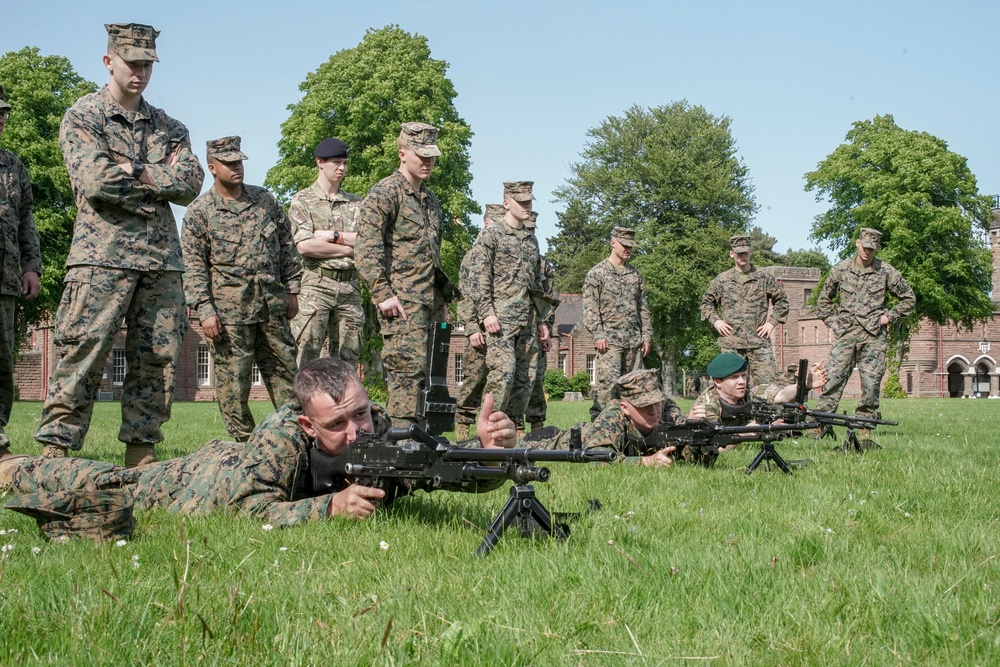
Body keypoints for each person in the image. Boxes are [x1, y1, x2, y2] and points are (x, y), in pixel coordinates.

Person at [0, 358, 518, 525]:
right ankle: (12, 467)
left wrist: (486, 455)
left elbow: (441, 474)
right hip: (203, 482)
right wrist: (328, 508)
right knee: (106, 483)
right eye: (337, 424)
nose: (357, 431)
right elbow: (251, 508)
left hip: (234, 466)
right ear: (308, 425)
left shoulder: (377, 428)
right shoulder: (281, 437)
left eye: (359, 413)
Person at [34, 23, 204, 467]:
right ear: (109, 61)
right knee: (84, 349)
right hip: (101, 257)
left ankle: (141, 448)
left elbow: (189, 183)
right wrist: (154, 174)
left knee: (157, 356)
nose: (141, 72)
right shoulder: (84, 116)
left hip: (162, 261)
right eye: (132, 62)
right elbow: (95, 181)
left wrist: (132, 169)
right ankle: (57, 449)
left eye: (148, 64)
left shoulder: (170, 126)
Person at [181, 136, 301, 441]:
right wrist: (205, 311)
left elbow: (287, 246)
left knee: (288, 377)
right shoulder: (200, 213)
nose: (237, 168)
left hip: (271, 308)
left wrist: (293, 289)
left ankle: (295, 440)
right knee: (233, 386)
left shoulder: (265, 201)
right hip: (229, 315)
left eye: (239, 162)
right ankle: (244, 445)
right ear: (212, 167)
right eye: (229, 163)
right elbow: (193, 267)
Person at [355, 122, 457, 425]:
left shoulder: (430, 199)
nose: (427, 162)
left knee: (431, 376)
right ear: (402, 153)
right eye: (420, 155)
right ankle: (400, 443)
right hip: (402, 303)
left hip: (431, 302)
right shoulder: (385, 193)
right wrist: (382, 294)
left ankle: (425, 441)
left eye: (431, 156)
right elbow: (366, 248)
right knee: (406, 373)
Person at [470, 181, 549, 434]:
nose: (527, 206)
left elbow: (537, 284)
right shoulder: (491, 235)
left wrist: (541, 321)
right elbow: (479, 277)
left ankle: (511, 433)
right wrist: (486, 313)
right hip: (501, 322)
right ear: (506, 204)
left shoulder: (531, 240)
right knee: (502, 375)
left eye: (529, 202)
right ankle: (487, 431)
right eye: (522, 202)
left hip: (528, 321)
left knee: (525, 379)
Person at [813, 227, 915, 421]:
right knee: (832, 379)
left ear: (877, 248)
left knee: (871, 383)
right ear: (858, 243)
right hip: (846, 334)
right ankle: (820, 423)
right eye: (864, 246)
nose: (867, 251)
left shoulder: (886, 272)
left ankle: (865, 425)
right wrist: (834, 323)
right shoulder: (841, 270)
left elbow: (908, 299)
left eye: (872, 248)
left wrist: (889, 317)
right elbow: (822, 301)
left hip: (873, 336)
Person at [288, 138, 364, 369]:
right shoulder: (303, 201)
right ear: (320, 162)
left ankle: (343, 405)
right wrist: (350, 248)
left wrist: (332, 236)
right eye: (336, 163)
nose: (342, 168)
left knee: (348, 359)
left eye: (345, 163)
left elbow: (368, 243)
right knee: (306, 354)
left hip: (349, 286)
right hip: (316, 284)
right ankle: (301, 405)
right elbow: (305, 246)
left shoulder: (356, 204)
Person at [687, 352, 827, 465]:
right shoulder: (707, 405)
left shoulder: (748, 393)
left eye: (743, 376)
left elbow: (781, 395)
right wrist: (750, 432)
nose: (741, 381)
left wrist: (804, 385)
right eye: (734, 378)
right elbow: (715, 450)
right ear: (718, 382)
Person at [0, 85, 42, 458]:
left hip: (5, 280)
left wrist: (31, 266)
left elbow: (26, 220)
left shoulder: (13, 166)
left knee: (1, 360)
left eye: (2, 113)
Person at [530, 369, 684, 468]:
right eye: (644, 406)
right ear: (625, 407)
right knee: (516, 447)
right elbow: (597, 458)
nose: (654, 411)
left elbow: (689, 437)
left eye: (657, 403)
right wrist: (645, 462)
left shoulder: (667, 409)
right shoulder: (613, 415)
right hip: (555, 441)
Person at [581, 226, 652, 420]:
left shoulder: (635, 276)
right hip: (610, 343)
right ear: (613, 242)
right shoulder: (597, 274)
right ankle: (600, 430)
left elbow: (643, 308)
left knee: (636, 389)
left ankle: (632, 429)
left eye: (631, 246)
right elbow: (590, 308)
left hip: (634, 342)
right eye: (624, 245)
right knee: (607, 390)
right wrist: (598, 334)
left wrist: (646, 336)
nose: (628, 249)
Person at [700, 234, 789, 385]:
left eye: (745, 253)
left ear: (751, 252)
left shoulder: (763, 278)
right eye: (739, 253)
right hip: (731, 343)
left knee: (769, 388)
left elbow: (782, 301)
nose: (742, 256)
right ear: (731, 254)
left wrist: (771, 323)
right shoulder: (722, 280)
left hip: (759, 343)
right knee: (730, 387)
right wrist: (716, 321)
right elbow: (706, 303)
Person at [454, 204, 503, 441]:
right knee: (474, 379)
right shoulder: (474, 256)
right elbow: (464, 296)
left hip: (502, 330)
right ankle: (463, 428)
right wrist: (472, 328)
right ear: (487, 224)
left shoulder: (505, 256)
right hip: (480, 330)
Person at [524, 211, 559, 432]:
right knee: (516, 379)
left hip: (538, 330)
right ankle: (514, 425)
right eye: (527, 229)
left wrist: (548, 327)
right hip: (514, 328)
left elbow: (551, 300)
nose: (530, 233)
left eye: (533, 229)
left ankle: (537, 426)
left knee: (537, 379)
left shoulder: (543, 266)